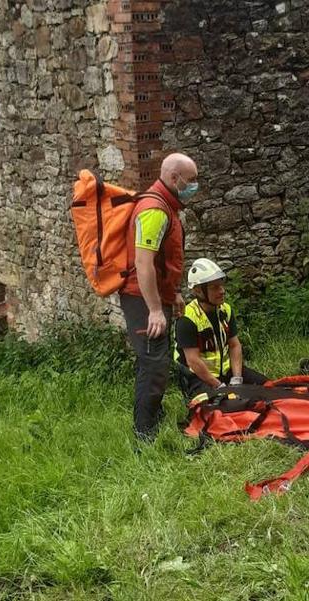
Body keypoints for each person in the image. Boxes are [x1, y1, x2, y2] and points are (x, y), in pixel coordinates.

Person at [118, 152, 197, 440]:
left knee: (157, 359)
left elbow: (166, 260)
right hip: (141, 297)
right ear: (174, 178)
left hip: (154, 296)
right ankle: (144, 433)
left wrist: (172, 294)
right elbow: (143, 262)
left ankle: (153, 414)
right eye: (191, 181)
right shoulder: (154, 210)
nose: (194, 186)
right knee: (154, 361)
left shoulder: (167, 205)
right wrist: (153, 309)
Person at [174, 258, 269, 398]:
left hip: (227, 372)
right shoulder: (187, 319)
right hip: (198, 378)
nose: (222, 291)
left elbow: (234, 345)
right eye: (215, 287)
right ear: (198, 291)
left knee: (269, 387)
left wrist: (237, 379)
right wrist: (218, 385)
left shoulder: (225, 310)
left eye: (221, 285)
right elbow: (193, 361)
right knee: (220, 407)